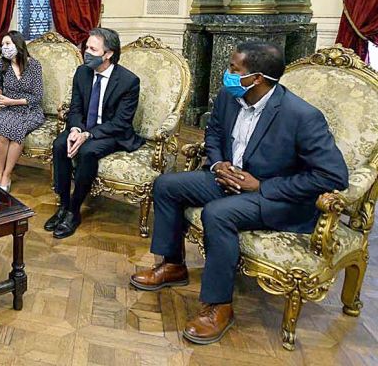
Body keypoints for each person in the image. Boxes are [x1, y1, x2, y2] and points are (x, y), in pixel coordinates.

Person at [130, 42, 348, 345]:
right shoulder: (228, 96)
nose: (227, 73)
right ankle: (173, 265)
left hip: (274, 197)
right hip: (228, 178)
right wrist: (218, 164)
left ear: (256, 78)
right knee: (166, 185)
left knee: (218, 214)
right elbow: (215, 133)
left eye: (234, 68)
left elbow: (333, 175)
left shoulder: (301, 116)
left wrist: (261, 186)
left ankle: (219, 306)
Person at [45, 27, 144, 239]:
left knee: (87, 151)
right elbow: (75, 108)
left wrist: (87, 135)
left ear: (108, 54)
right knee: (60, 144)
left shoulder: (128, 81)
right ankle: (63, 205)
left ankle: (73, 211)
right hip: (83, 127)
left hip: (111, 133)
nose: (86, 52)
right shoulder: (82, 72)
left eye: (93, 49)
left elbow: (120, 122)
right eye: (86, 47)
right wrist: (75, 129)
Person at [0, 31, 44, 191]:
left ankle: (7, 174)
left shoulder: (34, 65)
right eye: (2, 45)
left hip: (30, 109)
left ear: (18, 45)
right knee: (3, 134)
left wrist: (12, 101)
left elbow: (37, 96)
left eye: (7, 44)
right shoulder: (1, 64)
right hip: (8, 109)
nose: (4, 47)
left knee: (17, 131)